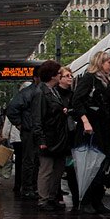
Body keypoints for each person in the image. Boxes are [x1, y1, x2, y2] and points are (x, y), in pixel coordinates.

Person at [72, 51, 110, 215]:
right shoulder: (89, 79)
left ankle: (97, 200)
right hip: (91, 128)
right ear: (100, 63)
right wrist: (85, 121)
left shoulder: (106, 82)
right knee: (91, 165)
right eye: (108, 62)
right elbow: (76, 100)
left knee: (102, 164)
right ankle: (86, 201)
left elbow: (109, 109)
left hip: (103, 128)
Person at [32, 61, 71, 211]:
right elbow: (38, 118)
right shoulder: (41, 93)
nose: (61, 75)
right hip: (49, 137)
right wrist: (41, 139)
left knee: (57, 169)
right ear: (53, 75)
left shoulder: (51, 91)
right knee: (46, 169)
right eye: (59, 73)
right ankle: (44, 199)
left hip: (57, 137)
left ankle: (52, 196)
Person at [6, 68, 42, 200]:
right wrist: (20, 125)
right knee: (30, 160)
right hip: (30, 131)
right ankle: (28, 188)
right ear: (36, 78)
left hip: (32, 130)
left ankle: (31, 187)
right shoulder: (29, 93)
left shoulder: (34, 92)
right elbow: (12, 109)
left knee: (34, 160)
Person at [56, 66, 80, 210]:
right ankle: (57, 196)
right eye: (67, 75)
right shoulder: (54, 95)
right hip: (59, 137)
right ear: (60, 78)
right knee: (57, 169)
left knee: (71, 170)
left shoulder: (73, 95)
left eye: (71, 75)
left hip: (71, 137)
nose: (70, 77)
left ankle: (76, 199)